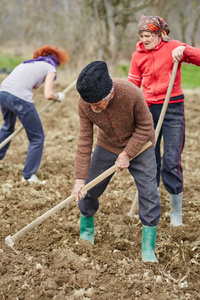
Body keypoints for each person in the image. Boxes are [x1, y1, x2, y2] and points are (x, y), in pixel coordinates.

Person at [72, 60, 161, 262]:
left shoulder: (130, 93)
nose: (94, 108)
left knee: (148, 192)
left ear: (109, 94)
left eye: (97, 104)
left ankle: (148, 248)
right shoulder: (85, 104)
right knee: (89, 189)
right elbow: (84, 139)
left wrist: (128, 153)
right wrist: (79, 179)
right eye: (90, 105)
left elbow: (147, 125)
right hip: (107, 145)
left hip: (141, 145)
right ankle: (87, 229)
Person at [128, 15, 200, 226]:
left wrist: (185, 51)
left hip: (173, 109)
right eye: (141, 36)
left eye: (148, 35)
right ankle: (151, 208)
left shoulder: (173, 47)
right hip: (148, 111)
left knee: (171, 161)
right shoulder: (137, 56)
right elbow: (133, 87)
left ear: (160, 34)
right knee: (150, 162)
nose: (144, 39)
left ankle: (176, 211)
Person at [0, 45, 70, 183]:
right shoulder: (50, 68)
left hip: (2, 94)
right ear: (57, 60)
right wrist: (58, 96)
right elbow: (48, 94)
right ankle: (28, 176)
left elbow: (35, 85)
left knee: (7, 127)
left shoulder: (29, 63)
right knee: (37, 137)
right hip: (19, 99)